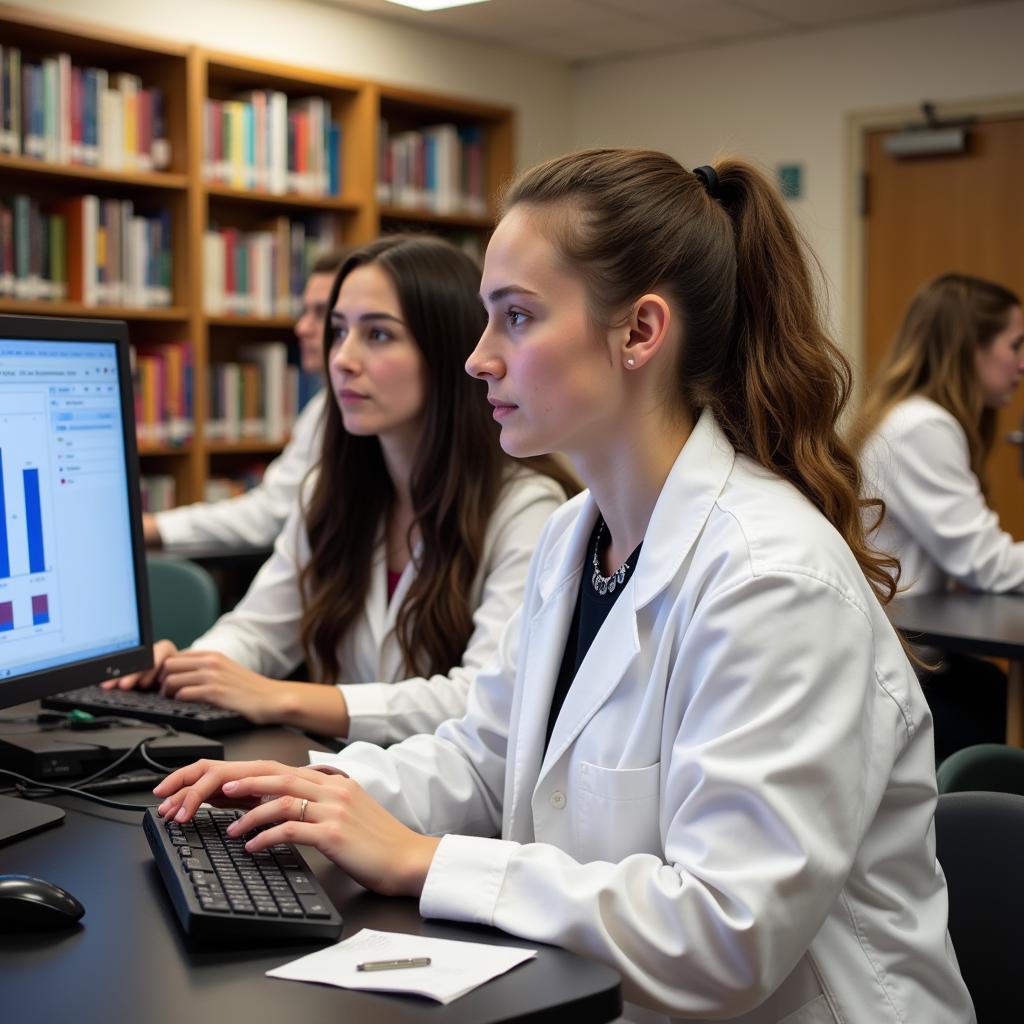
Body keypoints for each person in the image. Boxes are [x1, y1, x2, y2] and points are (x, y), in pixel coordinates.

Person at [153, 151, 973, 1022]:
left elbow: (730, 934)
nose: (477, 360)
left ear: (639, 333)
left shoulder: (772, 577)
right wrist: (322, 793)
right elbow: (487, 755)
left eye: (516, 317)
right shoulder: (572, 534)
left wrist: (421, 860)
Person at [115, 235, 574, 744]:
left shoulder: (526, 510)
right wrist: (191, 668)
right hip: (344, 778)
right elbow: (258, 629)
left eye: (378, 335)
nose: (342, 359)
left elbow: (481, 700)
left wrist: (282, 696)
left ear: (447, 352)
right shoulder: (332, 493)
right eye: (339, 332)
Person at [853, 272, 1024, 759]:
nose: (1022, 363)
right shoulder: (923, 426)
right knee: (992, 706)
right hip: (893, 678)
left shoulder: (910, 417)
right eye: (1015, 345)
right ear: (972, 347)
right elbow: (988, 564)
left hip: (907, 658)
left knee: (989, 683)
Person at [142, 250, 347, 549]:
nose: (302, 327)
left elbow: (269, 515)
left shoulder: (346, 408)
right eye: (304, 311)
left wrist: (159, 527)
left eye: (322, 313)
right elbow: (272, 510)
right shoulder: (323, 406)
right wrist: (159, 526)